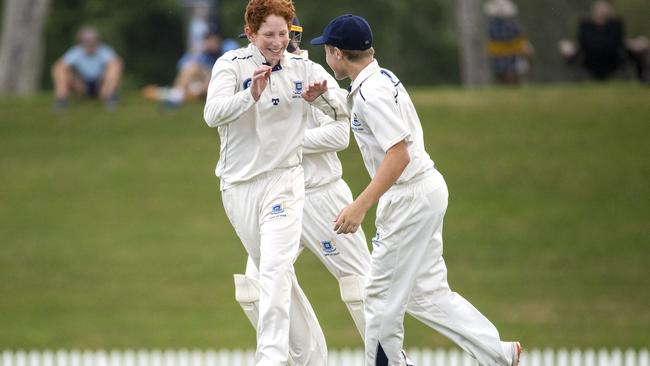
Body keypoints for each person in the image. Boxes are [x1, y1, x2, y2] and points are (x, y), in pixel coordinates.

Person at [305, 14, 521, 366]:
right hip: (424, 189)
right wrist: (323, 100)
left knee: (378, 295)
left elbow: (398, 154)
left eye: (326, 51)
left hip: (409, 195)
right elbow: (362, 116)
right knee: (425, 294)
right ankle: (499, 354)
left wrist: (360, 204)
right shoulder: (378, 79)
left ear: (336, 53)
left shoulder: (371, 92)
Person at [202, 0, 349, 364]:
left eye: (283, 34)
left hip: (284, 182)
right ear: (251, 34)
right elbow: (211, 114)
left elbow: (345, 108)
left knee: (274, 270)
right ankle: (311, 357)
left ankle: (269, 357)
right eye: (269, 34)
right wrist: (248, 95)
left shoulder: (302, 67)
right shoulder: (231, 65)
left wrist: (325, 99)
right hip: (238, 187)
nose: (278, 41)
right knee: (273, 274)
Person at [143, 29, 238, 108]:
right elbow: (182, 65)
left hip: (222, 81)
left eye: (214, 40)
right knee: (192, 68)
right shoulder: (203, 50)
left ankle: (173, 95)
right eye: (209, 40)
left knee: (210, 75)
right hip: (202, 81)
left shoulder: (229, 47)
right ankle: (180, 94)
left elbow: (234, 66)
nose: (211, 43)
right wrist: (199, 53)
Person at [558, 0, 649, 82]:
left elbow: (623, 41)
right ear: (593, 11)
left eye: (604, 9)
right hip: (590, 62)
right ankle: (564, 81)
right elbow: (579, 42)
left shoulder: (616, 25)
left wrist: (637, 44)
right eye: (599, 10)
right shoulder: (585, 26)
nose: (602, 12)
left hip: (614, 61)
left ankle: (643, 79)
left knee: (640, 51)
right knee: (568, 53)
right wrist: (568, 47)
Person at [51, 26, 123, 111]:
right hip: (82, 85)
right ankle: (61, 98)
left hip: (100, 84)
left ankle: (111, 97)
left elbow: (116, 63)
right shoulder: (76, 51)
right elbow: (60, 65)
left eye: (92, 40)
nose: (90, 43)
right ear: (81, 41)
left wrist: (106, 86)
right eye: (87, 40)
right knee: (59, 68)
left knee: (115, 65)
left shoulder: (104, 50)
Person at [483, 0, 534, 85]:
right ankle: (514, 81)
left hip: (497, 56)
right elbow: (519, 39)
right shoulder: (512, 25)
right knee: (516, 69)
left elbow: (490, 41)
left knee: (503, 73)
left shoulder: (491, 26)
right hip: (512, 55)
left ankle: (506, 82)